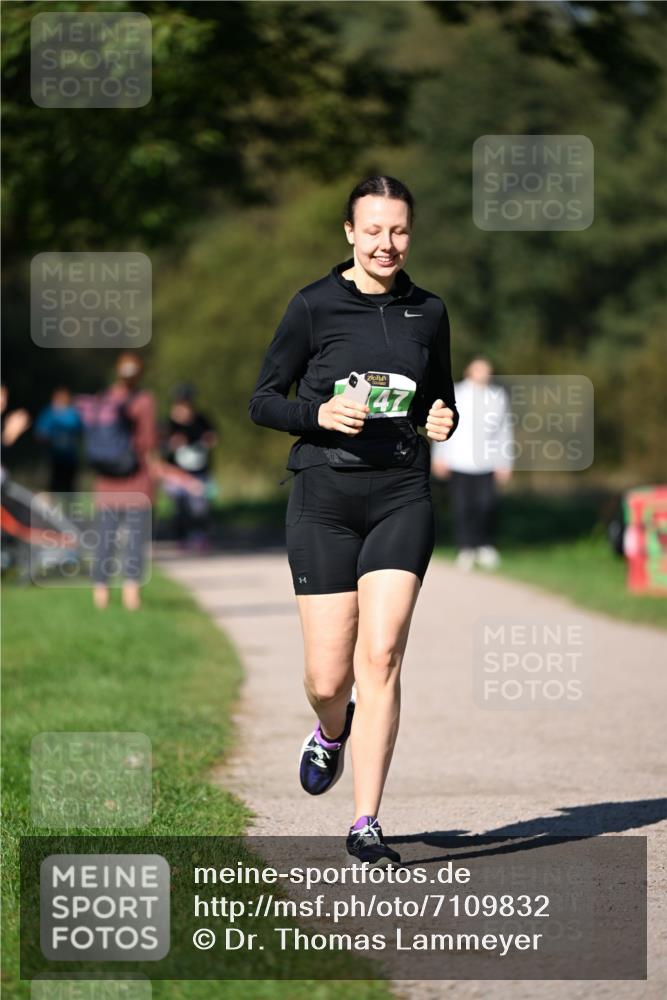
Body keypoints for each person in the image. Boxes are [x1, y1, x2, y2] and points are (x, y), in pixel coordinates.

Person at [248, 175, 459, 866]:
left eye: (397, 230)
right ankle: (330, 729)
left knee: (382, 656)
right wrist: (316, 416)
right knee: (328, 676)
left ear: (410, 233)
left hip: (400, 494)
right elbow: (262, 400)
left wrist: (441, 419)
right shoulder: (312, 306)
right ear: (348, 232)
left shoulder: (427, 312)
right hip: (324, 500)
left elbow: (440, 402)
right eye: (372, 230)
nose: (386, 243)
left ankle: (364, 822)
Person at [431, 356, 513, 570]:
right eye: (479, 370)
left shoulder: (497, 396)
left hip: (487, 461)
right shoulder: (456, 393)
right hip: (458, 460)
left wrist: (505, 461)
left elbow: (504, 431)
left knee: (486, 505)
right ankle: (465, 547)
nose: (483, 375)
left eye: (487, 371)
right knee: (462, 506)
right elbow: (444, 426)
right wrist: (438, 455)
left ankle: (484, 545)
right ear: (469, 371)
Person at [161, 383, 217, 550]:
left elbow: (212, 438)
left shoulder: (201, 419)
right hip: (177, 473)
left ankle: (200, 537)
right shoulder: (169, 423)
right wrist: (172, 443)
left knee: (199, 508)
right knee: (180, 506)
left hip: (199, 471)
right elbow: (162, 448)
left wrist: (207, 440)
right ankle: (181, 538)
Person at [34, 387, 83, 494]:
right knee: (58, 488)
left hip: (66, 458)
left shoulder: (67, 413)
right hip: (56, 458)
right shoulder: (52, 413)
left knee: (63, 488)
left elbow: (41, 434)